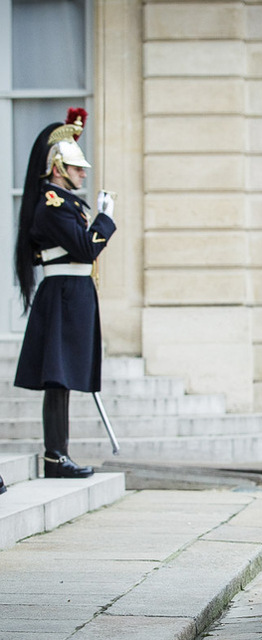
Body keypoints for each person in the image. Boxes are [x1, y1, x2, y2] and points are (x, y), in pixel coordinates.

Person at [14, 108, 116, 479]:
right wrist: (105, 218)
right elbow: (86, 249)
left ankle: (59, 454)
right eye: (77, 169)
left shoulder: (66, 203)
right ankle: (55, 456)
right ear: (58, 167)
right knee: (58, 379)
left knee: (65, 378)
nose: (83, 174)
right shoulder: (52, 206)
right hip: (62, 295)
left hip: (73, 294)